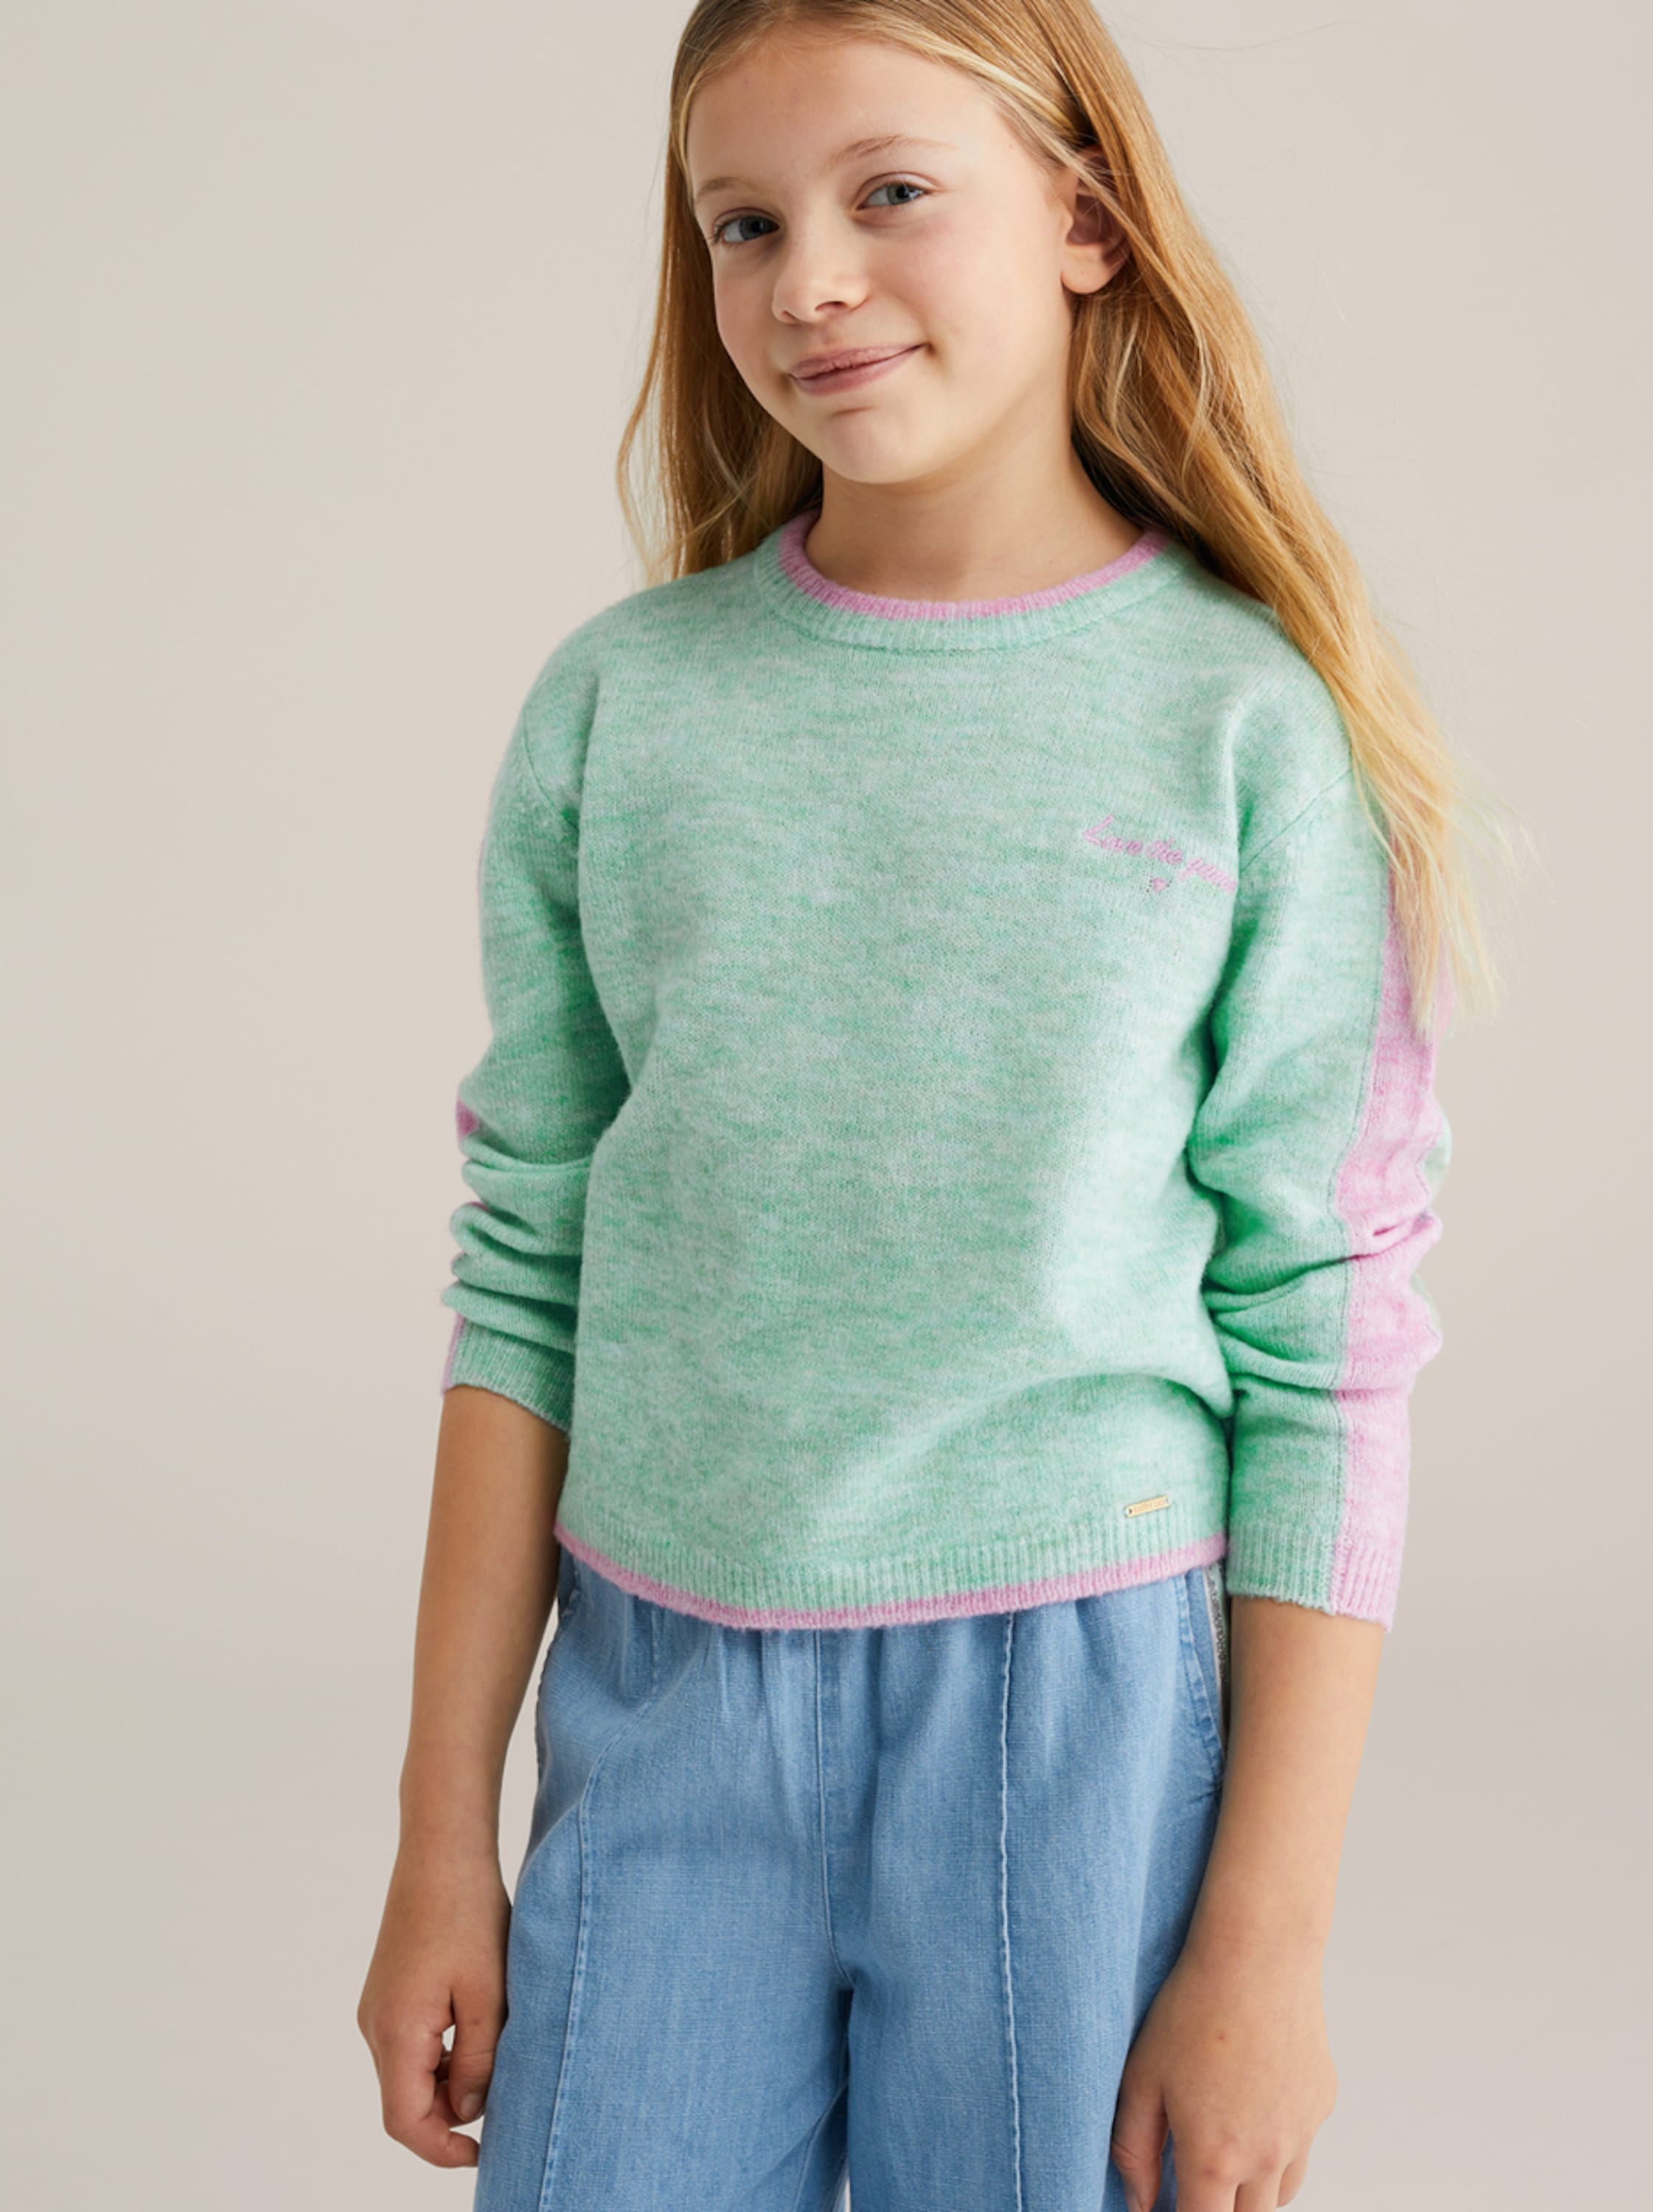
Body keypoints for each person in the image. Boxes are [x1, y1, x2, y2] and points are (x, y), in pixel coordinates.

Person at [358, 4, 1499, 2206]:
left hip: (1077, 1714)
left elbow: (1327, 1342)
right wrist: (438, 1842)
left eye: (891, 193)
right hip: (663, 1699)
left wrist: (1264, 1949)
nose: (809, 281)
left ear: (1086, 220)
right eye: (742, 224)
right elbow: (525, 1282)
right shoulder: (625, 709)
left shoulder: (1244, 729)